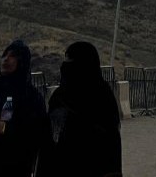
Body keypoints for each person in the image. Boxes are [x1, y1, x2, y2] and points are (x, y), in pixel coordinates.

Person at [40, 41, 122, 176]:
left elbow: (110, 143)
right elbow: (50, 138)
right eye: (66, 59)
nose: (65, 65)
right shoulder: (59, 96)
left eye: (71, 60)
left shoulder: (102, 96)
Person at [0, 39, 50, 177]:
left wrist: (3, 128)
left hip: (20, 167)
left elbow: (37, 133)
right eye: (5, 55)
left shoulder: (31, 97)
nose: (6, 59)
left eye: (12, 56)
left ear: (22, 62)